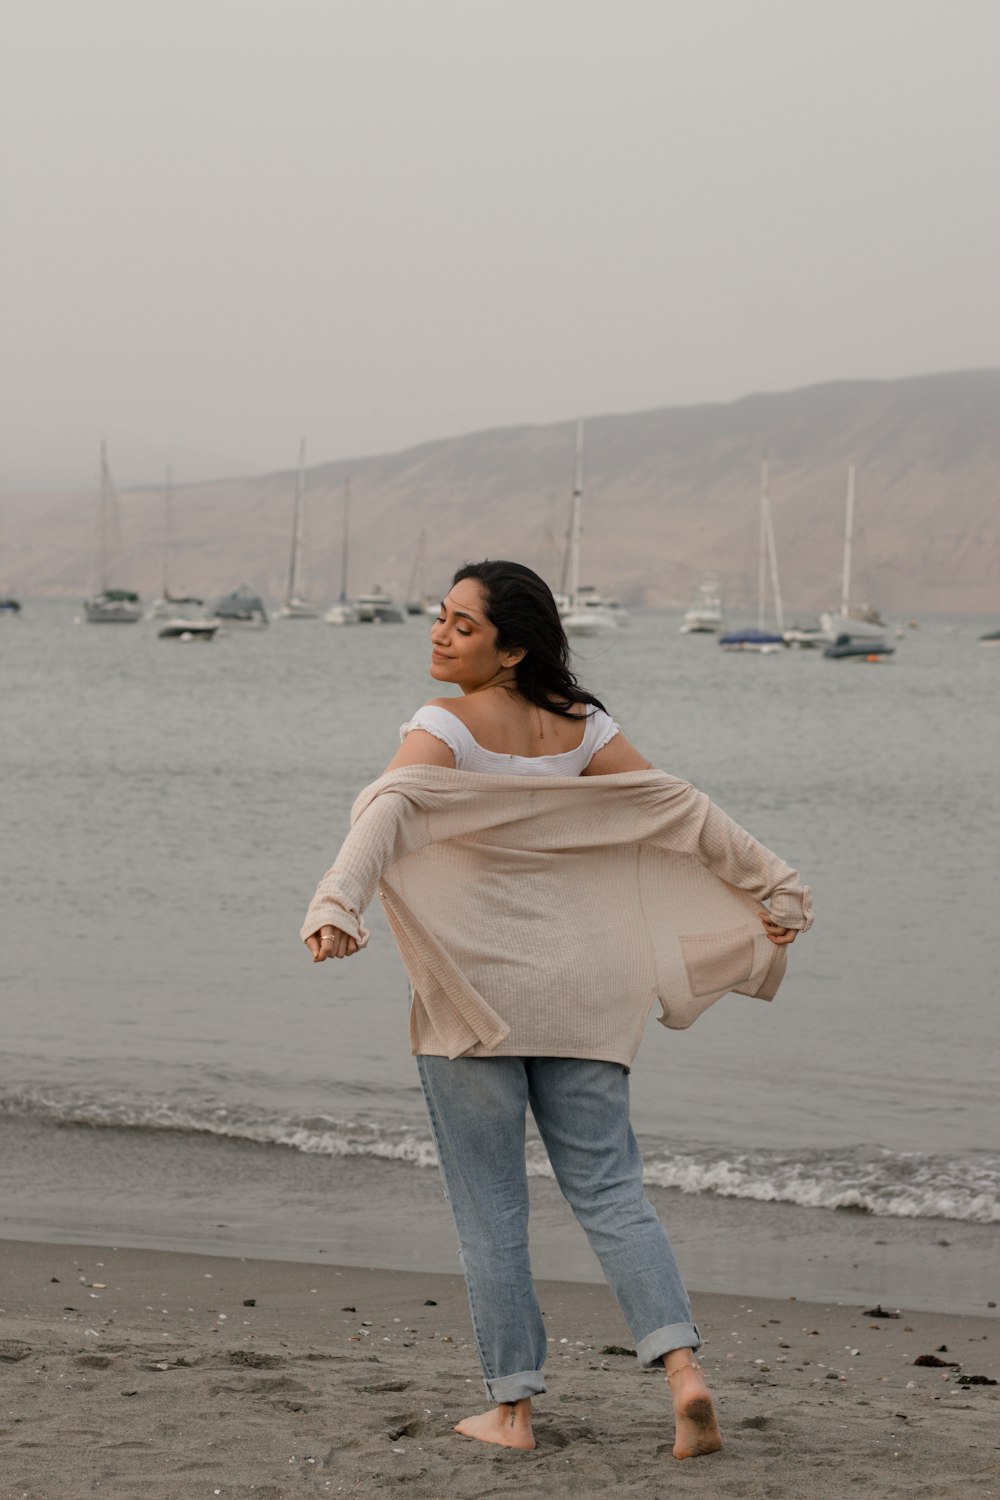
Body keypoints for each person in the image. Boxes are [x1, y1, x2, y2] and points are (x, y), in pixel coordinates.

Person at [301, 559, 812, 1460]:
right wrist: (773, 888)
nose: (440, 633)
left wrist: (337, 905)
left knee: (492, 1211)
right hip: (584, 992)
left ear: (513, 648)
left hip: (476, 997)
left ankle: (513, 1411)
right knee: (614, 1193)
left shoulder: (444, 725)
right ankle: (683, 1372)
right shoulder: (583, 728)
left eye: (463, 624)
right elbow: (673, 811)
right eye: (440, 616)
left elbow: (383, 813)